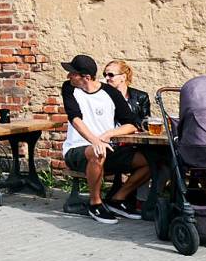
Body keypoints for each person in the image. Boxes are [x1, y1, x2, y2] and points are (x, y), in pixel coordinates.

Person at [60, 54, 149, 224]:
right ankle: (95, 204)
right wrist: (95, 141)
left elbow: (131, 124)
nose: (68, 76)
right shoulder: (69, 88)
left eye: (72, 73)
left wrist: (107, 135)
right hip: (77, 149)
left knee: (150, 161)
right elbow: (75, 119)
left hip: (107, 148)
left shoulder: (110, 93)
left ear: (86, 77)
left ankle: (117, 200)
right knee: (97, 152)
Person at [103, 60, 151, 124]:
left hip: (133, 133)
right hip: (110, 133)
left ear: (123, 77)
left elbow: (146, 124)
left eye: (111, 75)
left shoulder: (141, 97)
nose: (106, 78)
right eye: (105, 75)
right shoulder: (102, 95)